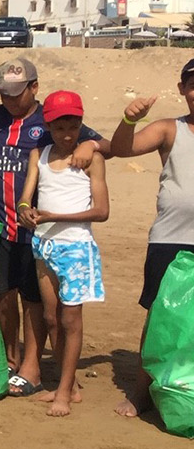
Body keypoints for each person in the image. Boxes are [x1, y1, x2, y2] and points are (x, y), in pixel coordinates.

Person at [0, 58, 105, 396]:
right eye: (4, 94)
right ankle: (8, 358)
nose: (9, 101)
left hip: (37, 229)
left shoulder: (54, 121)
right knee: (0, 293)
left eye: (16, 94)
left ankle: (34, 366)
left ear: (34, 87)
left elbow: (105, 146)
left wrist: (91, 144)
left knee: (34, 302)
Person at [14, 90, 107, 417]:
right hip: (44, 244)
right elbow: (26, 196)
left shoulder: (91, 159)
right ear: (48, 126)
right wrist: (25, 210)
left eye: (74, 126)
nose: (68, 134)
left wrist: (55, 216)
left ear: (82, 124)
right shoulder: (38, 155)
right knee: (51, 316)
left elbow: (101, 211)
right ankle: (68, 387)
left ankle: (65, 392)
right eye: (60, 127)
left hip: (76, 249)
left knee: (71, 320)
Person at [111, 58, 194, 418]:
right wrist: (130, 119)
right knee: (158, 317)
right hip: (170, 239)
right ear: (182, 89)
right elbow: (122, 149)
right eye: (192, 84)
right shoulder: (169, 129)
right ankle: (141, 393)